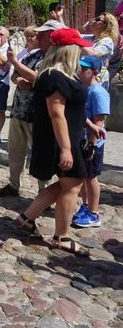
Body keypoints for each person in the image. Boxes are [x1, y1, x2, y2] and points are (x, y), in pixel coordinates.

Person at [16, 28, 98, 257]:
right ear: (69, 49)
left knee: (67, 184)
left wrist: (88, 125)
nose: (81, 50)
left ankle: (27, 217)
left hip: (66, 136)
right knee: (72, 184)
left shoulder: (60, 74)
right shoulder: (55, 75)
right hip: (60, 139)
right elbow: (57, 113)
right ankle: (61, 237)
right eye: (78, 47)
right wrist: (65, 149)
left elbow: (71, 109)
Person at [0, 23, 62, 197]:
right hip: (19, 111)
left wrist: (15, 62)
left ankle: (43, 192)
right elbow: (15, 73)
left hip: (39, 115)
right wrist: (18, 80)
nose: (36, 38)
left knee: (40, 154)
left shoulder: (56, 58)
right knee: (15, 150)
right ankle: (14, 185)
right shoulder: (34, 55)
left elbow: (40, 78)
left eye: (41, 35)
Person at [72, 55, 109, 228]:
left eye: (83, 69)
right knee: (84, 176)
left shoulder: (98, 92)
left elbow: (99, 122)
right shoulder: (84, 89)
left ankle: (93, 213)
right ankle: (85, 205)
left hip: (93, 143)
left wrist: (92, 145)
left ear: (94, 73)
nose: (79, 71)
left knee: (91, 178)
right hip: (83, 140)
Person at [82, 12, 120, 90]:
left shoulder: (107, 41)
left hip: (97, 81)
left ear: (106, 25)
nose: (94, 20)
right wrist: (59, 17)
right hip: (85, 78)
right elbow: (71, 34)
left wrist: (77, 44)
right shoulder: (89, 38)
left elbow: (94, 54)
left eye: (98, 19)